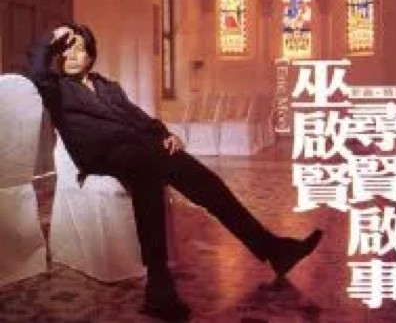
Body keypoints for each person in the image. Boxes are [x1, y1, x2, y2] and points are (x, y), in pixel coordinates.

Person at [26, 23, 323, 321]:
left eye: (78, 49)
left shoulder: (108, 86)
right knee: (145, 166)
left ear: (91, 55)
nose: (71, 55)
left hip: (138, 149)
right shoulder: (56, 88)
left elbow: (138, 117)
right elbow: (36, 72)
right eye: (65, 50)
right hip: (102, 154)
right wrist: (54, 37)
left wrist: (165, 134)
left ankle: (272, 248)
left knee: (199, 177)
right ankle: (158, 282)